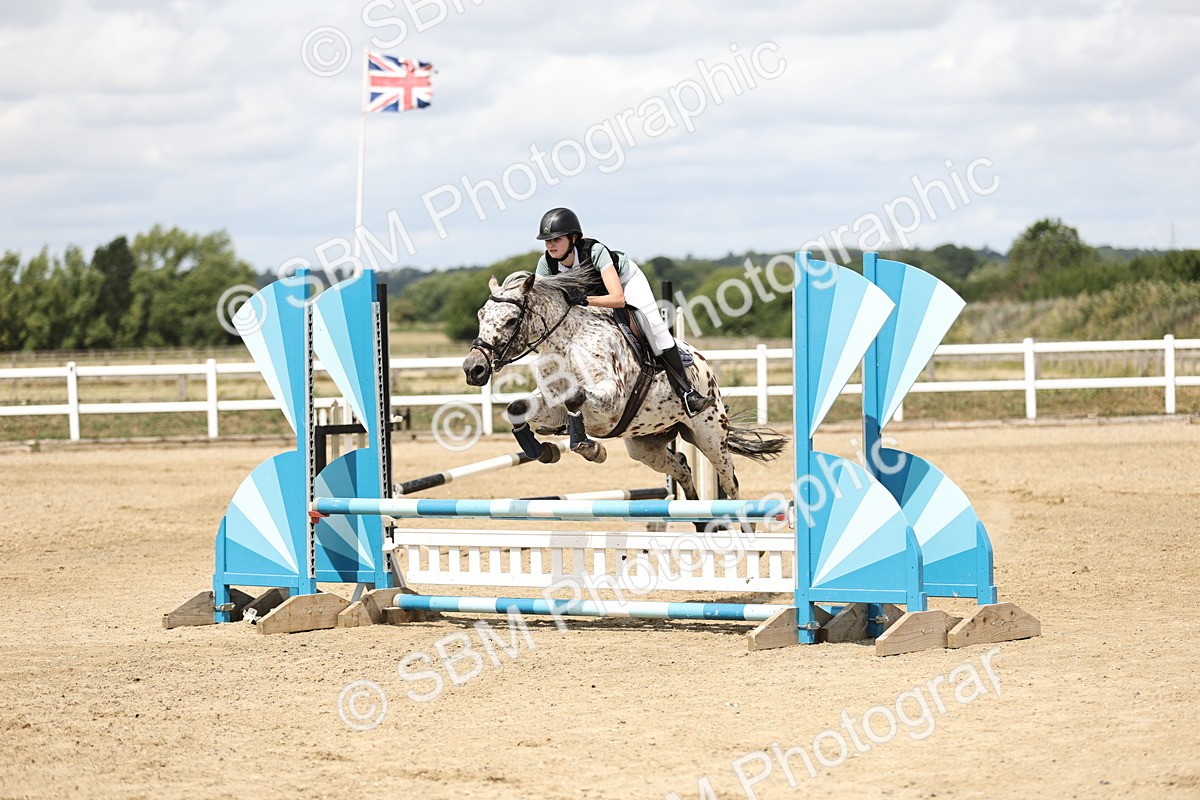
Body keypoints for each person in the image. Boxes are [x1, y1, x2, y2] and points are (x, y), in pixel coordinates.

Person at [533, 207, 714, 418]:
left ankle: (687, 393)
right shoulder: (546, 264)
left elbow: (618, 299)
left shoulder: (594, 252)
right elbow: (540, 301)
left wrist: (584, 300)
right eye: (547, 241)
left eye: (556, 239)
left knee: (654, 325)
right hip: (591, 297)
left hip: (625, 284)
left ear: (573, 238)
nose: (551, 245)